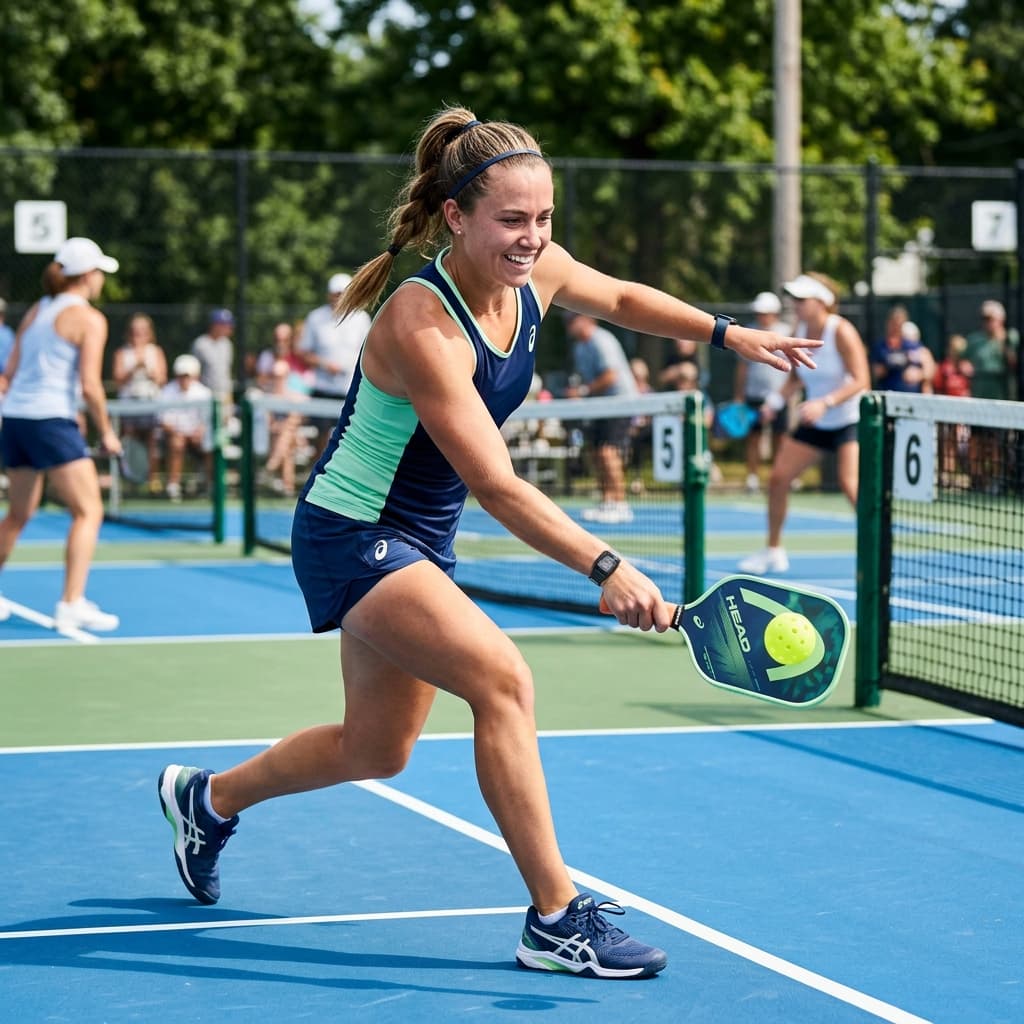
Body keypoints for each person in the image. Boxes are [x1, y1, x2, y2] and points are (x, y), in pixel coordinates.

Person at [156, 106, 819, 980]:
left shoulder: (537, 274)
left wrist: (731, 333)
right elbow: (498, 482)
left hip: (417, 537)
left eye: (543, 220)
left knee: (375, 749)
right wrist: (607, 565)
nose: (531, 238)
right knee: (504, 680)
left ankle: (209, 800)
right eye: (512, 220)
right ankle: (555, 918)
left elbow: (620, 299)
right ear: (458, 216)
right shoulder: (420, 323)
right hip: (354, 533)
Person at [0, 237, 123, 630]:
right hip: (51, 420)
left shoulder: (37, 310)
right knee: (88, 510)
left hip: (16, 419)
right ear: (88, 276)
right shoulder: (90, 319)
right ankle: (71, 603)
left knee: (18, 513)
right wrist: (107, 433)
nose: (101, 279)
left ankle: (72, 601)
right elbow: (89, 384)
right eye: (100, 272)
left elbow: (11, 373)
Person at [739, 272, 870, 574]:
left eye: (801, 299)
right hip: (815, 420)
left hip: (848, 419)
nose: (795, 304)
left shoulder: (842, 331)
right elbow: (795, 379)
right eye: (793, 299)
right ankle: (773, 550)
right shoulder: (799, 329)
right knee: (778, 478)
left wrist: (826, 402)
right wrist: (774, 404)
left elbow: (862, 380)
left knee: (850, 485)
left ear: (821, 302)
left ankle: (875, 547)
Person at [563, 311, 638, 523]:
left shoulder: (602, 340)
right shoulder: (579, 348)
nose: (569, 325)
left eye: (573, 320)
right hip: (599, 406)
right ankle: (607, 502)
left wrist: (584, 392)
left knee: (607, 452)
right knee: (596, 453)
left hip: (620, 403)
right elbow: (587, 382)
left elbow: (610, 375)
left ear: (586, 319)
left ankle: (621, 504)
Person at [296, 274, 372, 453]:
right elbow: (303, 352)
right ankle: (318, 476)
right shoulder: (315, 318)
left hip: (352, 390)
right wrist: (324, 364)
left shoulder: (361, 319)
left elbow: (370, 353)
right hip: (322, 388)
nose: (338, 297)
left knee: (349, 441)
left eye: (342, 293)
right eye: (335, 293)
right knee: (322, 440)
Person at [732, 291, 790, 493]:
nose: (762, 316)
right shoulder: (749, 332)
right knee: (753, 438)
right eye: (759, 312)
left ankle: (778, 477)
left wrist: (784, 395)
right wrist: (738, 395)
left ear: (775, 313)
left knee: (780, 438)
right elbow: (742, 368)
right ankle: (753, 478)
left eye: (766, 312)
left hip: (779, 397)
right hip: (754, 395)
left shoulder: (786, 332)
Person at [112, 313, 168, 489]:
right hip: (129, 404)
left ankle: (152, 481)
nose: (139, 334)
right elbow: (118, 380)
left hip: (151, 402)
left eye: (143, 331)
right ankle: (131, 480)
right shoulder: (122, 352)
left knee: (152, 442)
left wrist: (149, 371)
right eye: (135, 331)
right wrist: (134, 368)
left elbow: (162, 379)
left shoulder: (156, 351)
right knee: (129, 441)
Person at [158, 354, 213, 502]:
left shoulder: (204, 393)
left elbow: (208, 421)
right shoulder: (167, 392)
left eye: (187, 376)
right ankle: (173, 486)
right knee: (177, 442)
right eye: (181, 375)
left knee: (210, 444)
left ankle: (211, 486)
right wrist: (179, 433)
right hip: (175, 436)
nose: (184, 379)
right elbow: (163, 421)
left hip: (198, 438)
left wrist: (200, 431)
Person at [932, 334, 973, 487]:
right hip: (947, 414)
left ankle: (972, 478)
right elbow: (937, 388)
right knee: (948, 445)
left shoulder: (968, 368)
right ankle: (947, 478)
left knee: (967, 448)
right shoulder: (944, 368)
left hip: (967, 414)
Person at [870, 305, 934, 394]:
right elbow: (874, 371)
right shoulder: (881, 347)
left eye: (899, 324)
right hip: (888, 395)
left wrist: (919, 375)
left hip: (912, 396)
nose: (896, 327)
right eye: (893, 323)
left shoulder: (913, 345)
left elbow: (930, 368)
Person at [964, 299, 1018, 402]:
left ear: (1001, 319)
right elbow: (963, 360)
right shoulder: (974, 339)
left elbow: (1013, 362)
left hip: (1003, 392)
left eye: (990, 319)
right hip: (979, 391)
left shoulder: (1011, 337)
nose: (986, 322)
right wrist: (965, 365)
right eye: (984, 318)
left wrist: (1001, 341)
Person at [190, 308, 236, 405]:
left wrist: (229, 395)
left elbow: (227, 371)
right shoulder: (200, 344)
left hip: (224, 394)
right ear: (214, 325)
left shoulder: (227, 344)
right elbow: (194, 372)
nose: (228, 328)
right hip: (206, 394)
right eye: (224, 325)